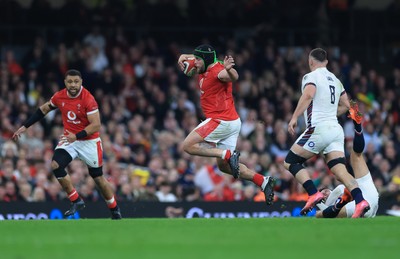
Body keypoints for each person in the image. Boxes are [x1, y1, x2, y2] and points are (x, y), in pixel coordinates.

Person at [12, 69, 122, 220]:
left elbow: (96, 125)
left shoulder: (88, 99)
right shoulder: (59, 96)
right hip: (70, 139)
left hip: (89, 141)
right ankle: (76, 200)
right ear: (65, 82)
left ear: (81, 82)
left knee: (98, 178)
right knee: (56, 165)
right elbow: (43, 109)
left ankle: (114, 209)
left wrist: (76, 136)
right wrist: (25, 127)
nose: (73, 85)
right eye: (70, 81)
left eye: (76, 82)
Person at [177, 44, 275, 205]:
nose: (196, 63)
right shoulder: (205, 64)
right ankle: (263, 181)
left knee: (187, 146)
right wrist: (182, 56)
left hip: (220, 120)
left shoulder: (219, 72)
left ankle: (226, 154)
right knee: (225, 168)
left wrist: (230, 69)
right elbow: (194, 59)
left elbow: (233, 76)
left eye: (198, 60)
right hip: (232, 122)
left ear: (206, 60)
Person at [283, 48, 370, 218]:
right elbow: (347, 104)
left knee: (290, 161)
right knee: (340, 171)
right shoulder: (336, 80)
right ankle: (361, 201)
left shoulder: (311, 76)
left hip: (319, 128)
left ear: (310, 61)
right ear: (327, 62)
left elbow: (308, 95)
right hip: (336, 130)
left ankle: (313, 193)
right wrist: (330, 112)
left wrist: (294, 117)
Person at [316, 101, 379, 218]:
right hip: (363, 203)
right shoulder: (336, 196)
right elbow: (327, 211)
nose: (324, 194)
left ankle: (358, 126)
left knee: (355, 156)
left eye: (323, 191)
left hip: (367, 191)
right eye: (323, 195)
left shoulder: (339, 189)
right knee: (322, 214)